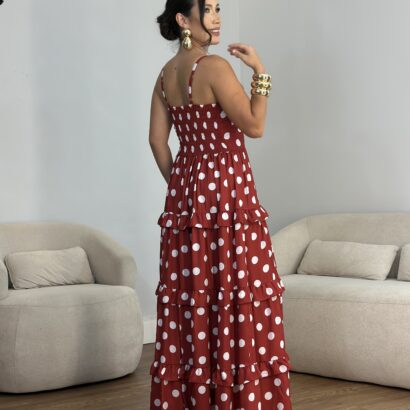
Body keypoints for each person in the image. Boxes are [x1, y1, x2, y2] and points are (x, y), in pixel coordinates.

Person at [149, 0, 293, 408]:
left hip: (188, 200)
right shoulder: (212, 67)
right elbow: (255, 126)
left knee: (196, 296)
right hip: (230, 194)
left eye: (218, 8)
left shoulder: (165, 75)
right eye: (208, 9)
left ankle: (197, 398)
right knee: (238, 290)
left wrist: (183, 189)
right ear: (183, 19)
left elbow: (157, 141)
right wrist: (260, 73)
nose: (217, 18)